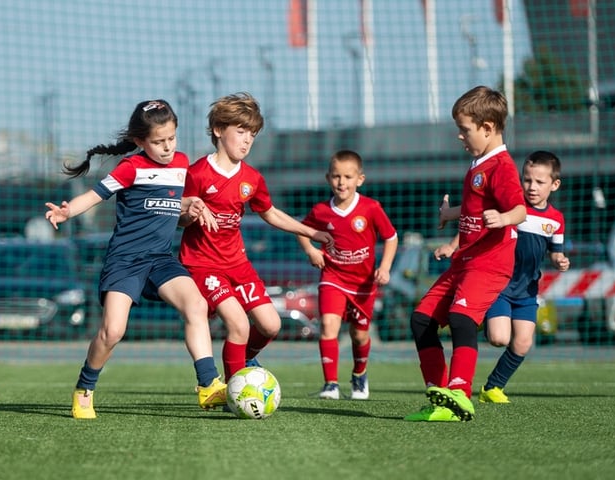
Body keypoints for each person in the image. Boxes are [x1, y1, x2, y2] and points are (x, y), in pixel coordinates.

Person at [45, 99, 227, 420]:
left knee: (196, 305)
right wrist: (67, 211)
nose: (167, 147)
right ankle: (85, 388)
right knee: (112, 332)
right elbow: (95, 195)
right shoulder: (131, 167)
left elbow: (170, 209)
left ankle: (208, 384)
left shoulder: (182, 164)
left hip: (159, 259)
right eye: (158, 142)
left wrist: (189, 208)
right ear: (141, 141)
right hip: (125, 261)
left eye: (171, 138)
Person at [178, 92, 332, 382]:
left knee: (271, 325)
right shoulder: (197, 173)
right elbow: (178, 220)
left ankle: (245, 357)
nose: (247, 140)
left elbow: (270, 213)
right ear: (218, 130)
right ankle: (234, 389)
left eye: (252, 134)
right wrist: (191, 213)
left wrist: (311, 232)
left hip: (238, 264)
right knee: (238, 324)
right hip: (203, 265)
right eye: (241, 131)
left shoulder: (252, 179)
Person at [404, 86, 526, 422]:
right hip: (466, 260)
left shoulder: (501, 165)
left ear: (487, 128)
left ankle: (460, 392)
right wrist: (451, 221)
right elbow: (475, 210)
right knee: (422, 321)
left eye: (465, 129)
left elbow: (519, 209)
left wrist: (504, 218)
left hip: (490, 263)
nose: (460, 136)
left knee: (461, 319)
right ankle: (439, 399)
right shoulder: (478, 163)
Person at [297, 150, 398, 400]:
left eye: (347, 177)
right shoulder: (321, 211)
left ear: (359, 179)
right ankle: (331, 384)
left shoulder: (371, 208)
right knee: (329, 326)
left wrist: (384, 268)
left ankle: (359, 374)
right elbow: (302, 229)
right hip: (333, 278)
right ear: (327, 178)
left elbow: (391, 237)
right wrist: (311, 250)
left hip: (363, 284)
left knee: (359, 334)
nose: (341, 182)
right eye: (336, 176)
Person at [477, 151, 569, 403]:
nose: (532, 187)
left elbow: (555, 253)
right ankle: (481, 314)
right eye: (527, 180)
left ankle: (492, 388)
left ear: (554, 184)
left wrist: (560, 261)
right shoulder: (513, 210)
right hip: (500, 284)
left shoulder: (556, 220)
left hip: (527, 290)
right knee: (499, 338)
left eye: (540, 182)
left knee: (523, 342)